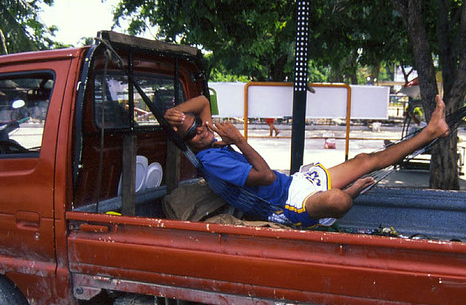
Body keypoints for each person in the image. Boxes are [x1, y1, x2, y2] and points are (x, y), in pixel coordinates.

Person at [164, 94, 449, 227]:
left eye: (198, 123)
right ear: (187, 144)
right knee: (338, 200)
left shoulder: (209, 140)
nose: (201, 129)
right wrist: (239, 140)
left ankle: (431, 131)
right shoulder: (212, 160)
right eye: (192, 132)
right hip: (286, 205)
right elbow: (266, 177)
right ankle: (348, 193)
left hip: (294, 183)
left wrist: (172, 113)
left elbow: (202, 101)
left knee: (365, 159)